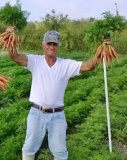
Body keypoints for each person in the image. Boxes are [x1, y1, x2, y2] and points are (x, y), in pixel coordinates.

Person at [8, 30, 98, 160]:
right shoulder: (35, 61)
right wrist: (10, 36)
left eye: (54, 44)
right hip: (36, 113)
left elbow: (88, 66)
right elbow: (14, 56)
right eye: (49, 43)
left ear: (58, 46)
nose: (51, 47)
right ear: (43, 45)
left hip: (57, 115)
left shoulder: (66, 65)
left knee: (60, 152)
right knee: (29, 148)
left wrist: (102, 50)